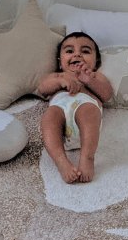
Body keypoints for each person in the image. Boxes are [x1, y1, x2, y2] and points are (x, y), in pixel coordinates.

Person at [37, 31, 114, 183]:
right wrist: (60, 81)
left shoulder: (95, 75)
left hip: (85, 115)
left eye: (85, 51)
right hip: (60, 112)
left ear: (96, 61)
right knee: (49, 116)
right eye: (69, 51)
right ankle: (61, 161)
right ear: (60, 62)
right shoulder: (58, 75)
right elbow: (42, 88)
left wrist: (89, 80)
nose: (77, 54)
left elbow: (106, 94)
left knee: (88, 110)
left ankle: (87, 157)